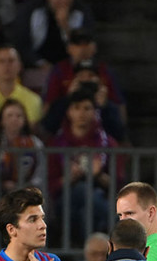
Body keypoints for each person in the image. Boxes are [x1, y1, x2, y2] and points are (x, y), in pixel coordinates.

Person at [48, 88, 119, 242]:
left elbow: (117, 183)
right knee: (80, 190)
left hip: (98, 198)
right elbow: (50, 185)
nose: (81, 113)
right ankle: (118, 223)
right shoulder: (56, 144)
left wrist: (98, 174)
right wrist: (70, 177)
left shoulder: (108, 143)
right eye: (76, 108)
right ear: (68, 112)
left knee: (86, 211)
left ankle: (85, 256)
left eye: (87, 108)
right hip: (65, 201)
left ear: (95, 112)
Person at [11, 0, 93, 68]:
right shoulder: (30, 10)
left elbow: (85, 47)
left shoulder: (82, 12)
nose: (64, 1)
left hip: (71, 66)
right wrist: (41, 63)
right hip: (35, 65)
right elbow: (22, 45)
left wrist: (65, 26)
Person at [0, 98, 47, 195]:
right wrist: (1, 184)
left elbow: (40, 173)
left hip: (28, 192)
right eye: (9, 116)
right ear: (1, 120)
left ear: (24, 120)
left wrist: (26, 187)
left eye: (19, 116)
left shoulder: (34, 143)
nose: (14, 119)